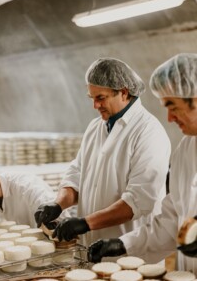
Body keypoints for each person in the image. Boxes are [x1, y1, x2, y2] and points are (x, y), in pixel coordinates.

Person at [34, 57, 171, 247]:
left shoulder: (149, 132)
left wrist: (85, 223)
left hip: (129, 249)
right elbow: (77, 174)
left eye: (101, 98)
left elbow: (139, 200)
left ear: (123, 92)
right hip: (90, 246)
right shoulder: (95, 127)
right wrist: (58, 204)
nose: (95, 105)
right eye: (92, 98)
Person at [87, 53, 197, 274]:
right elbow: (170, 221)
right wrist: (124, 244)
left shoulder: (149, 132)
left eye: (172, 106)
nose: (169, 118)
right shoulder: (185, 151)